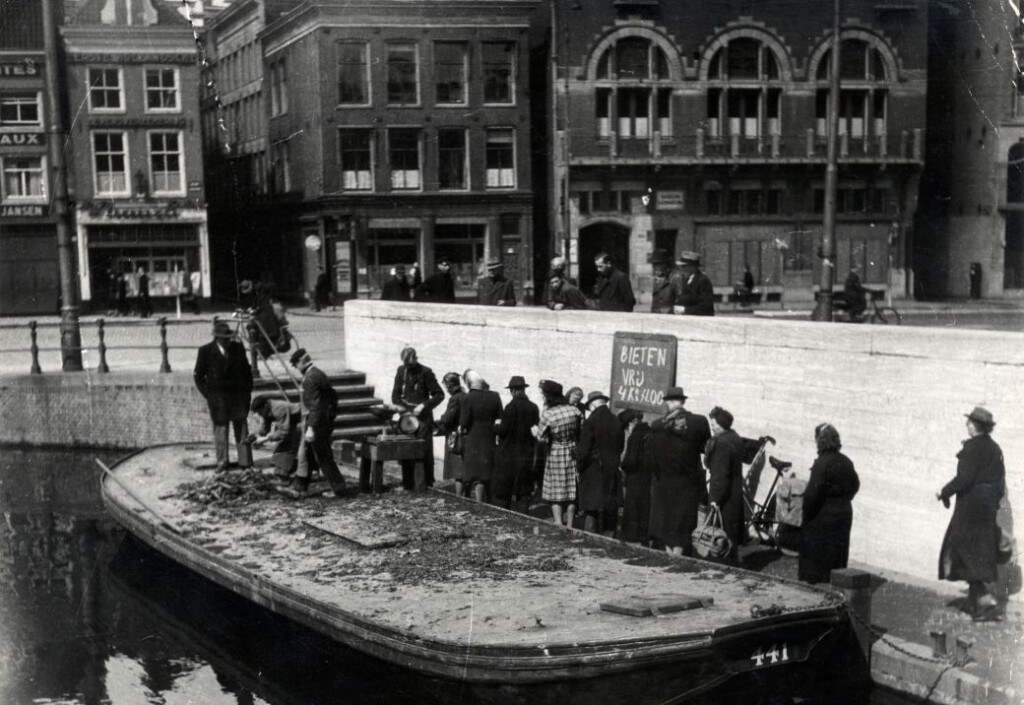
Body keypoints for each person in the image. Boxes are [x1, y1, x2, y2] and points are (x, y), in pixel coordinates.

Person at [937, 406, 1006, 621]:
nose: (966, 425)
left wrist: (944, 491)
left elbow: (965, 478)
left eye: (969, 422)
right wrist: (992, 503)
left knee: (961, 545)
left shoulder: (973, 448)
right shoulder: (995, 448)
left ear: (975, 426)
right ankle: (977, 603)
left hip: (971, 506)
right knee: (976, 549)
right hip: (986, 507)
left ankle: (984, 598)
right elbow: (1000, 483)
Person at [646, 386, 711, 555]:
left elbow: (651, 456)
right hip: (688, 483)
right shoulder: (700, 421)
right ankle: (678, 558)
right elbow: (706, 449)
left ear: (667, 402)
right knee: (682, 524)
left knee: (667, 524)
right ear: (683, 401)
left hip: (664, 484)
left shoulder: (657, 425)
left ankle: (670, 557)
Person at [799, 423, 860, 584]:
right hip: (844, 513)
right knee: (837, 553)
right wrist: (843, 498)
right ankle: (837, 583)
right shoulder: (847, 461)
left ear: (821, 442)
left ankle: (817, 586)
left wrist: (806, 514)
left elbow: (812, 495)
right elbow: (855, 485)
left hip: (822, 514)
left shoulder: (821, 463)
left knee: (817, 555)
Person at [281, 348, 347, 498]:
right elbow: (332, 397)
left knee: (323, 456)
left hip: (318, 424)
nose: (296, 369)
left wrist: (311, 428)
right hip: (322, 421)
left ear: (300, 362)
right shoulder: (318, 373)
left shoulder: (311, 378)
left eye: (295, 365)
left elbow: (316, 405)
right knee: (308, 454)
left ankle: (339, 488)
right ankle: (300, 488)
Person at [193, 321, 253, 472]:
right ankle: (222, 463)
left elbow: (247, 372)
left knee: (242, 429)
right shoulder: (205, 351)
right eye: (225, 338)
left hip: (237, 397)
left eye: (229, 338)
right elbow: (198, 376)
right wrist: (209, 395)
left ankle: (245, 462)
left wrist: (246, 392)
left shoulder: (238, 349)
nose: (228, 341)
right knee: (221, 431)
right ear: (217, 338)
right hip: (218, 399)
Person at [391, 347, 444, 488]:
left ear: (415, 358)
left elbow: (439, 394)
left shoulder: (426, 372)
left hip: (422, 419)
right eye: (405, 364)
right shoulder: (401, 371)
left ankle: (425, 484)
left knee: (423, 451)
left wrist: (424, 406)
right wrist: (401, 408)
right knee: (406, 449)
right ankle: (408, 484)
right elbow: (395, 396)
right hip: (407, 418)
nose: (407, 367)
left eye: (410, 364)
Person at [533, 379, 583, 528]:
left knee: (556, 491)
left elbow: (541, 438)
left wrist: (535, 432)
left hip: (555, 452)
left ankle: (559, 523)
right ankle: (570, 524)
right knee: (571, 489)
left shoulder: (549, 414)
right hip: (572, 451)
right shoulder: (575, 411)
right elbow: (580, 432)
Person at [576, 391, 624, 535]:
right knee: (610, 508)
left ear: (594, 404)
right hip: (612, 469)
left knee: (592, 507)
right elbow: (620, 445)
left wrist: (579, 465)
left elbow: (584, 450)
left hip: (594, 470)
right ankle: (609, 539)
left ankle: (590, 540)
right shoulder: (616, 420)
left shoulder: (591, 421)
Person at [704, 406, 745, 563]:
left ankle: (718, 571)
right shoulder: (735, 438)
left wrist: (715, 499)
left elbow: (720, 476)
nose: (712, 427)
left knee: (718, 537)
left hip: (723, 498)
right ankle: (731, 566)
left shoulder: (721, 443)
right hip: (734, 495)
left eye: (713, 424)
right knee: (730, 538)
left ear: (721, 424)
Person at [493, 376, 540, 512]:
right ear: (523, 390)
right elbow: (534, 430)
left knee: (505, 488)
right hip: (526, 453)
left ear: (513, 391)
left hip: (508, 453)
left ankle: (506, 515)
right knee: (523, 490)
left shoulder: (510, 408)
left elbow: (503, 431)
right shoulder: (533, 407)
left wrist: (495, 427)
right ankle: (524, 516)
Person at [459, 369, 503, 503]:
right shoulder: (495, 396)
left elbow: (464, 421)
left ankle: (470, 498)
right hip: (488, 437)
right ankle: (484, 499)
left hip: (473, 438)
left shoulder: (469, 397)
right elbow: (500, 417)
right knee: (485, 471)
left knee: (472, 471)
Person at [618, 409, 652, 545]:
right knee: (645, 506)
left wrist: (623, 466)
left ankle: (632, 535)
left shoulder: (635, 435)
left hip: (635, 476)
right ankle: (644, 534)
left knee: (633, 507)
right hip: (648, 476)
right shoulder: (650, 432)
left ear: (633, 422)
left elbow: (630, 461)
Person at [250, 394, 302, 478]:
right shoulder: (266, 409)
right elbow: (264, 430)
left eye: (259, 411)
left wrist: (264, 439)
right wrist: (255, 435)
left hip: (301, 420)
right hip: (288, 423)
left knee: (286, 442)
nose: (259, 414)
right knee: (279, 446)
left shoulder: (278, 408)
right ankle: (283, 468)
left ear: (265, 406)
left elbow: (284, 432)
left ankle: (284, 470)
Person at [436, 372, 467, 495]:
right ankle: (466, 494)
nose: (447, 390)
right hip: (464, 434)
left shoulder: (455, 398)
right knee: (463, 467)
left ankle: (459, 496)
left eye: (447, 387)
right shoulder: (465, 395)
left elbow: (449, 418)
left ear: (451, 385)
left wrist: (440, 420)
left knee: (457, 469)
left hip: (455, 436)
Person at [674, 251, 715, 316]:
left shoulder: (702, 280)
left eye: (684, 266)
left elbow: (706, 307)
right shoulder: (687, 280)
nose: (682, 269)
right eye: (681, 266)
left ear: (693, 267)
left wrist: (685, 310)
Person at [650, 249, 682, 314]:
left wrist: (670, 310)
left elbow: (681, 299)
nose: (654, 267)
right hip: (656, 315)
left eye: (657, 264)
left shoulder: (676, 277)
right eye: (653, 264)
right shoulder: (658, 277)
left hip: (670, 315)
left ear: (665, 264)